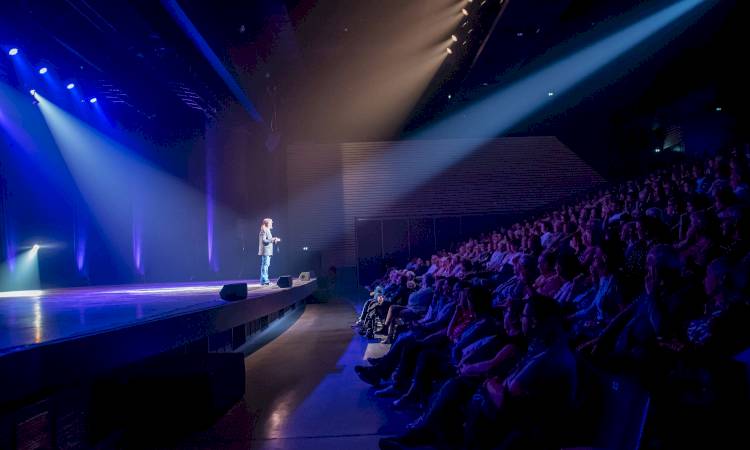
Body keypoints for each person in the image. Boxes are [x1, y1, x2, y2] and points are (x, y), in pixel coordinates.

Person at [258, 218, 281, 285]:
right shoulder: (264, 230)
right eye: (270, 223)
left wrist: (274, 240)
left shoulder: (267, 230)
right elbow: (264, 240)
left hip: (268, 251)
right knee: (265, 265)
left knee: (266, 265)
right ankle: (265, 280)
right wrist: (272, 240)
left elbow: (268, 240)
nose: (271, 224)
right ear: (267, 223)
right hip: (265, 251)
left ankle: (263, 281)